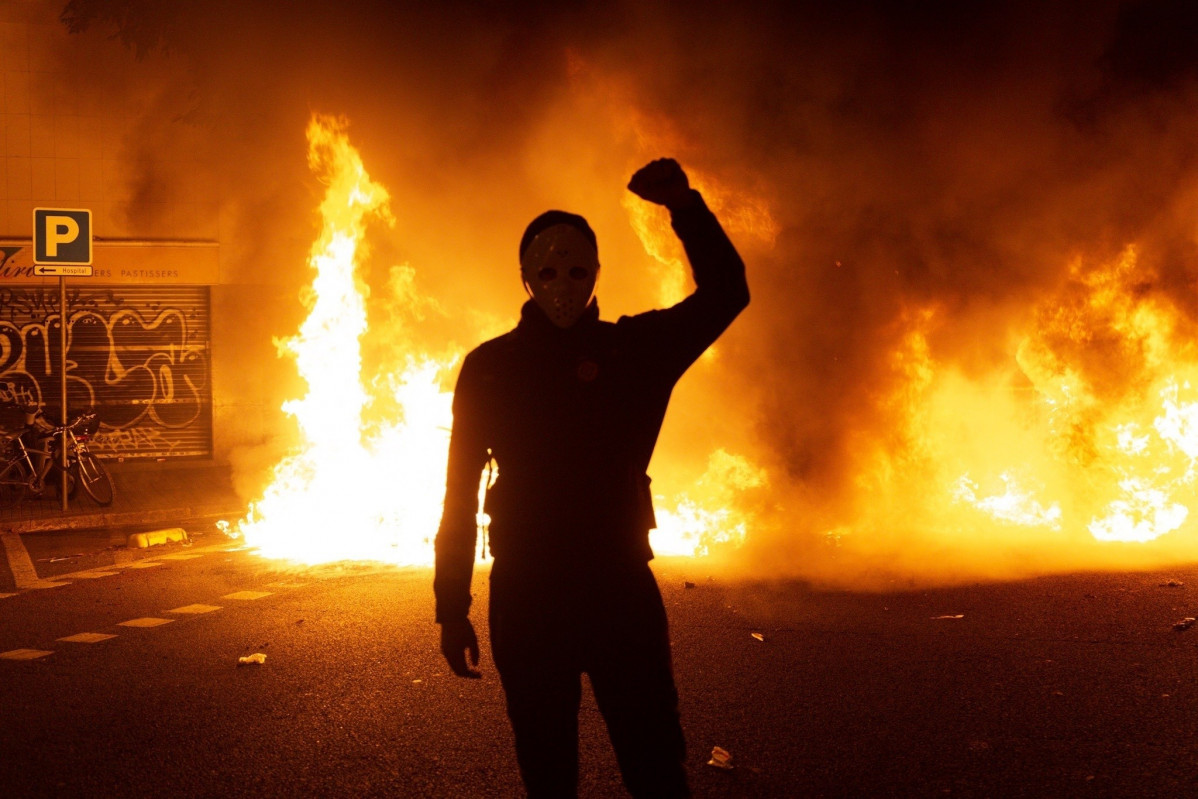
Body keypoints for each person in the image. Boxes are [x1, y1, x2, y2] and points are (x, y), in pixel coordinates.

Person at [434, 157, 749, 798]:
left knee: (652, 766)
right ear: (526, 278)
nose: (562, 287)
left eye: (576, 271)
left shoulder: (627, 350)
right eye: (547, 272)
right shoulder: (495, 368)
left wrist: (685, 207)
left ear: (596, 274)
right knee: (555, 771)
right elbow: (458, 493)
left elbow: (726, 293)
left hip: (609, 590)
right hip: (537, 595)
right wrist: (450, 606)